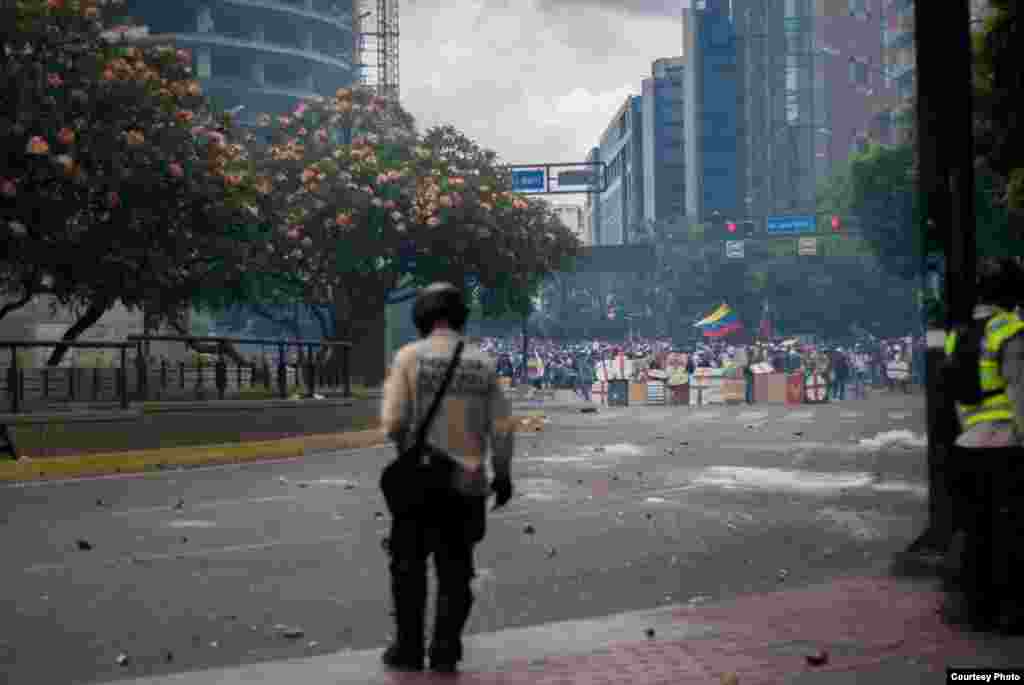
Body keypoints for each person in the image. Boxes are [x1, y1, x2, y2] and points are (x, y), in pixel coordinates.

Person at [380, 283, 516, 673]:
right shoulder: (483, 364)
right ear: (460, 317)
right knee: (456, 570)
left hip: (420, 482)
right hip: (467, 483)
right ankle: (446, 648)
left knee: (408, 566)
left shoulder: (409, 357)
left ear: (421, 316)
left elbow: (392, 423)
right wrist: (502, 476)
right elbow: (503, 429)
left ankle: (408, 648)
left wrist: (409, 451)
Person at [942, 258, 1024, 634]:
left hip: (967, 445)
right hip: (1005, 444)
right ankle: (1010, 611)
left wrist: (968, 432)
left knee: (975, 529)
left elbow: (957, 400)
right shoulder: (1011, 331)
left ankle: (977, 609)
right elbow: (1019, 392)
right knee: (1009, 531)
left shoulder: (957, 336)